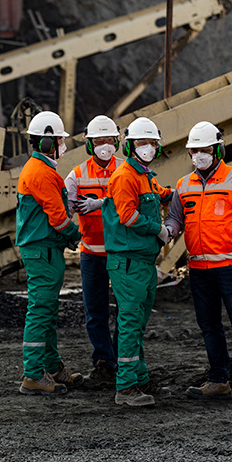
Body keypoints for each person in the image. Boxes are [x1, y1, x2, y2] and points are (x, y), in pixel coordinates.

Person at [163, 121, 232, 410]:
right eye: (194, 151)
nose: (199, 155)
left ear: (218, 150)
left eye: (204, 149)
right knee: (209, 326)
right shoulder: (184, 186)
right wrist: (167, 230)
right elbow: (175, 218)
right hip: (199, 269)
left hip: (231, 267)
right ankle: (219, 380)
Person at [102, 117, 173, 406]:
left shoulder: (146, 176)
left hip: (141, 261)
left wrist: (179, 193)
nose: (148, 148)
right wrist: (158, 228)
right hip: (128, 261)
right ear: (130, 146)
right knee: (130, 323)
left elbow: (157, 196)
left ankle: (139, 378)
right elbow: (128, 216)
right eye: (143, 143)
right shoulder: (125, 177)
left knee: (138, 323)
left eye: (153, 143)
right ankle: (126, 386)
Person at [16, 110, 84, 396]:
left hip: (45, 249)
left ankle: (53, 368)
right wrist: (76, 235)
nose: (62, 145)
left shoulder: (41, 170)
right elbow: (57, 218)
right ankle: (32, 375)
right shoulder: (41, 173)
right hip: (42, 250)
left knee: (47, 312)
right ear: (46, 143)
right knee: (41, 311)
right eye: (58, 140)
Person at [65, 115, 121, 386]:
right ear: (89, 145)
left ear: (117, 142)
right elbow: (64, 206)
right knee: (95, 311)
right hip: (91, 252)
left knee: (126, 310)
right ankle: (104, 363)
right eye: (99, 141)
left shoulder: (126, 170)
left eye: (109, 140)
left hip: (121, 252)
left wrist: (101, 204)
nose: (104, 146)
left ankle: (123, 359)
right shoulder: (76, 175)